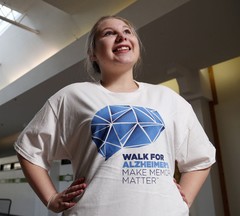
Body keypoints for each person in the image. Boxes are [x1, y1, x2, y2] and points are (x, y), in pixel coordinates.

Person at [14, 15, 216, 215]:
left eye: (127, 31)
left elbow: (200, 157)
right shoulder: (72, 96)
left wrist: (182, 201)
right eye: (109, 33)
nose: (122, 36)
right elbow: (29, 148)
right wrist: (50, 198)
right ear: (92, 53)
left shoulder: (169, 99)